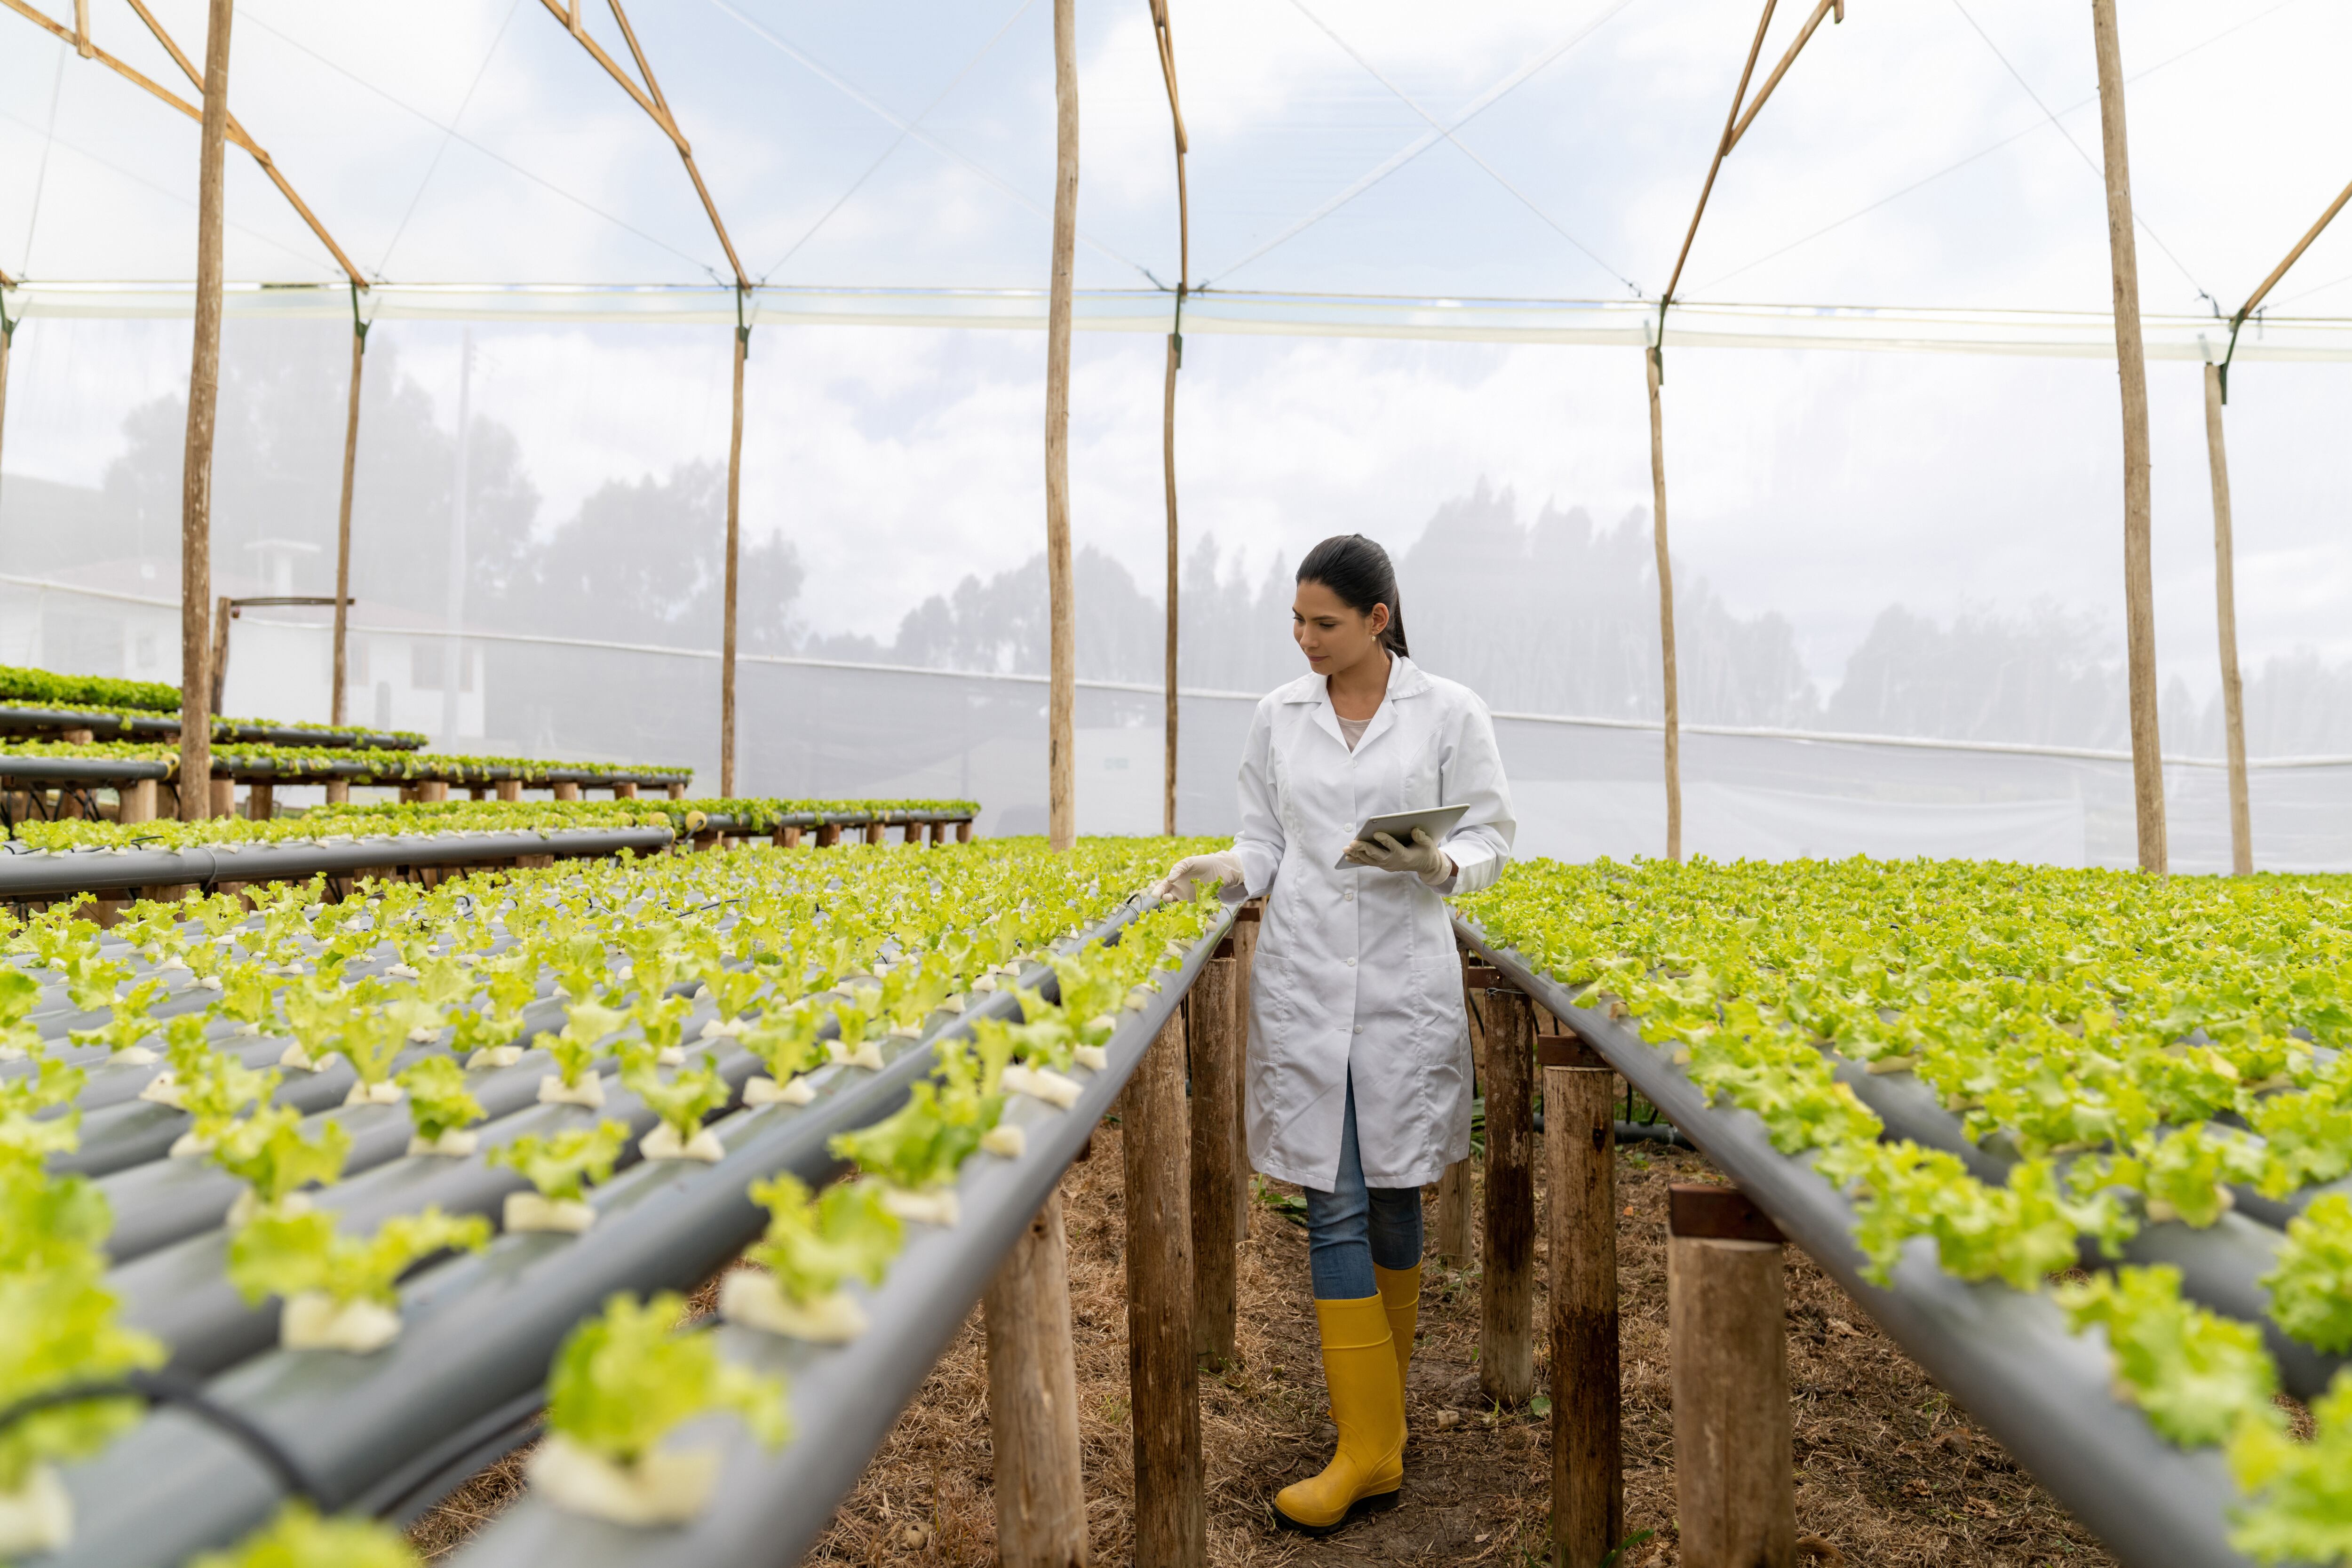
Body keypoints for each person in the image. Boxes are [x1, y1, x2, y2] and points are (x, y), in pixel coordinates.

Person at [1152, 533, 1515, 1536]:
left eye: (1324, 622)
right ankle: (1362, 1444)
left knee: (1396, 1195)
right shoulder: (1279, 716)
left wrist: (1439, 866)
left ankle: (1381, 1436)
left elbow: (1490, 836)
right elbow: (1267, 842)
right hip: (1310, 983)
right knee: (1337, 1201)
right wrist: (1219, 869)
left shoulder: (1448, 712)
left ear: (1377, 620)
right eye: (1298, 623)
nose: (1306, 639)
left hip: (1401, 983)